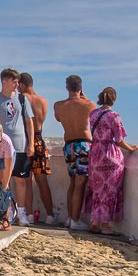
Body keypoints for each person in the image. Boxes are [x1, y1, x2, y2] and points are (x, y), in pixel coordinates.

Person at [84, 86, 138, 234]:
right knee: (109, 190)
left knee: (97, 189)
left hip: (95, 154)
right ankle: (106, 226)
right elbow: (119, 140)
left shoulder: (93, 114)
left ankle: (95, 222)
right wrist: (131, 149)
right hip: (110, 155)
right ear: (114, 99)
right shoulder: (114, 116)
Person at [0, 68, 37, 225]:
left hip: (20, 146)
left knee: (21, 180)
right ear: (4, 81)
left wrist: (31, 144)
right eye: (14, 82)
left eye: (18, 82)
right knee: (3, 182)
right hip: (1, 148)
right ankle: (6, 213)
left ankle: (21, 213)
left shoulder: (22, 99)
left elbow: (29, 122)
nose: (17, 85)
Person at [54, 75, 96, 231]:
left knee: (72, 183)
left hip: (68, 145)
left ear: (67, 87)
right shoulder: (89, 104)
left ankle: (70, 217)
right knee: (80, 184)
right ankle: (75, 220)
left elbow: (58, 118)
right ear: (81, 88)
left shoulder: (58, 105)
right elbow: (93, 114)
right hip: (84, 145)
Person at [20, 72, 58, 225]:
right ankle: (50, 216)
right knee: (42, 181)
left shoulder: (22, 99)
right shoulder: (43, 101)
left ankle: (29, 214)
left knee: (27, 180)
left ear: (21, 84)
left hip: (26, 141)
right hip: (39, 141)